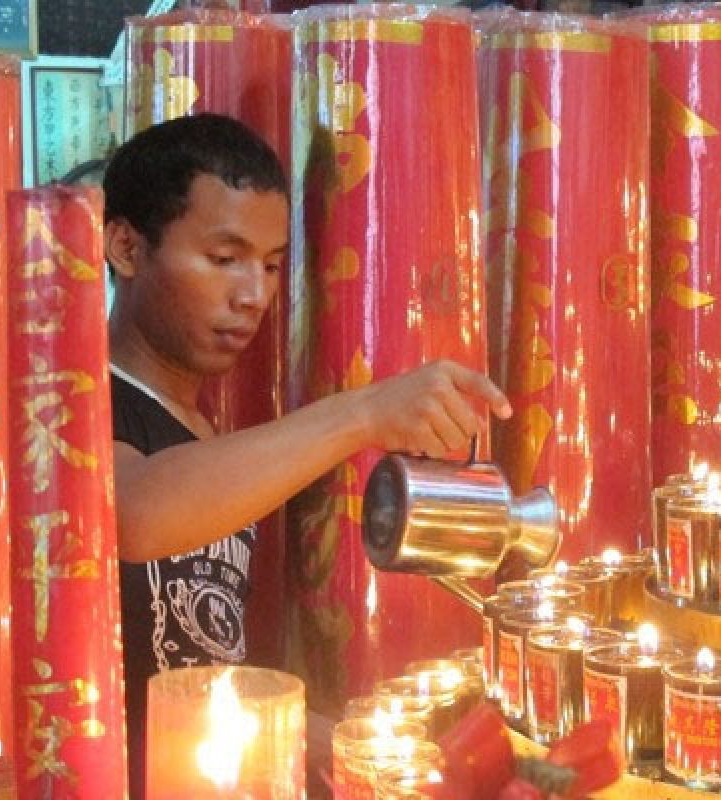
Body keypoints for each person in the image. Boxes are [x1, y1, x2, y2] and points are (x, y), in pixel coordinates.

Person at [103, 112, 510, 795]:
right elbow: (133, 513)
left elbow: (203, 669)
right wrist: (363, 411)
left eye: (268, 265)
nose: (253, 295)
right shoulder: (82, 406)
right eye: (223, 258)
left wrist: (354, 744)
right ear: (125, 247)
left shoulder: (204, 438)